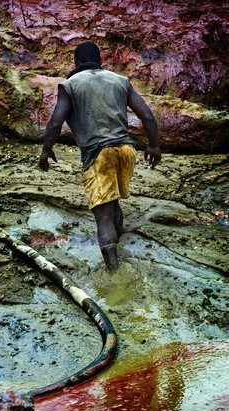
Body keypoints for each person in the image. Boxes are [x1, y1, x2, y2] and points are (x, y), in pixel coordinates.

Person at [39, 41, 161, 271]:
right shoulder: (120, 80)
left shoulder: (70, 84)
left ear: (76, 63)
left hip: (98, 154)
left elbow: (55, 123)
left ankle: (115, 276)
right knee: (112, 201)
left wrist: (46, 150)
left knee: (102, 215)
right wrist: (153, 147)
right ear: (100, 61)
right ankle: (121, 248)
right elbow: (148, 117)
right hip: (127, 151)